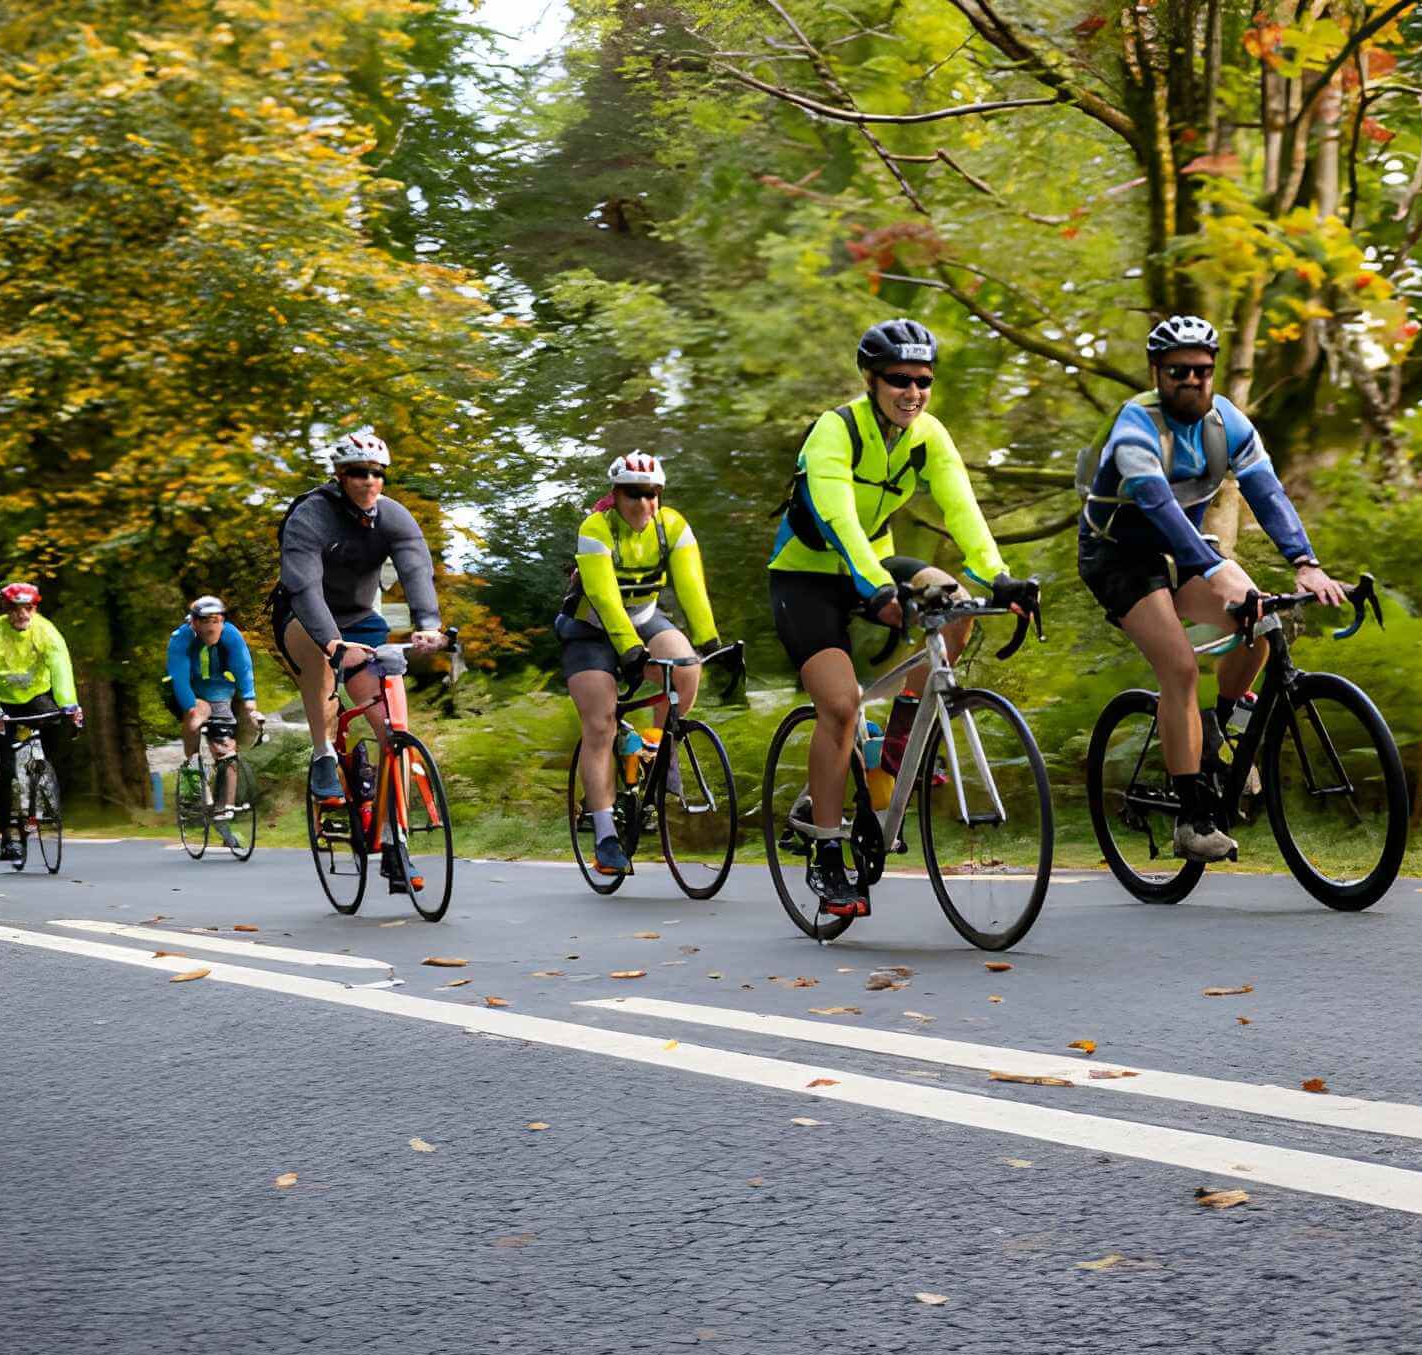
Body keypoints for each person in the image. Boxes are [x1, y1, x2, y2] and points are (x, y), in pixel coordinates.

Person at [768, 318, 1030, 919]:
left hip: (875, 559)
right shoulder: (834, 432)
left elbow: (962, 507)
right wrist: (876, 589)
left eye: (923, 381)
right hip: (807, 573)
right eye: (898, 380)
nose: (912, 391)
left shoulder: (928, 436)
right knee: (839, 707)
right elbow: (835, 518)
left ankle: (902, 746)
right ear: (870, 379)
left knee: (954, 598)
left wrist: (1001, 577)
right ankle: (828, 854)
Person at [1078, 314, 1345, 862]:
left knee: (1260, 623)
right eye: (1177, 371)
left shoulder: (1229, 424)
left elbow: (1268, 494)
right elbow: (1159, 510)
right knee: (1178, 668)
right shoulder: (1135, 428)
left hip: (1182, 549)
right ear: (1157, 372)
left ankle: (1218, 732)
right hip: (1119, 556)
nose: (1191, 381)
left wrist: (1305, 562)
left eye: (1202, 371)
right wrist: (1216, 569)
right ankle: (1192, 819)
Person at [274, 428, 446, 891]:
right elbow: (304, 588)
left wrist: (428, 623)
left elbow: (415, 569)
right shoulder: (312, 516)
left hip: (360, 617)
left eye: (376, 473)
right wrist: (334, 644)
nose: (368, 481)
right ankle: (323, 754)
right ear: (339, 475)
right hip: (304, 617)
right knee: (320, 657)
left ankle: (396, 844)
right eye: (357, 473)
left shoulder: (394, 517)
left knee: (394, 726)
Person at [559, 453, 721, 876]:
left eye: (651, 494)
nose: (643, 503)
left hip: (646, 617)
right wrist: (630, 652)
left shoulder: (673, 527)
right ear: (615, 496)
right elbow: (607, 601)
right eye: (633, 493)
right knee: (600, 724)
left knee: (685, 664)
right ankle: (605, 834)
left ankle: (656, 749)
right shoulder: (596, 529)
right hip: (591, 628)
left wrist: (710, 641)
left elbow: (691, 588)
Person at [0, 582, 83, 862]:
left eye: (28, 608)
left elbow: (60, 668)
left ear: (35, 608)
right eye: (16, 609)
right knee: (6, 769)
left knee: (60, 724)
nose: (23, 615)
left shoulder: (46, 631)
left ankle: (46, 779)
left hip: (36, 695)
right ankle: (8, 834)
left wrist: (69, 704)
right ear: (6, 609)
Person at [164, 595, 262, 848]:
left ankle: (223, 809)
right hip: (190, 692)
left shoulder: (231, 635)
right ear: (194, 623)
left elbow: (243, 666)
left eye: (216, 620)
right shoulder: (181, 639)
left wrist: (250, 702)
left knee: (226, 750)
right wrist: (191, 710)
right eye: (205, 621)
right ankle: (192, 765)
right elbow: (180, 679)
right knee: (196, 715)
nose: (212, 627)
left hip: (220, 692)